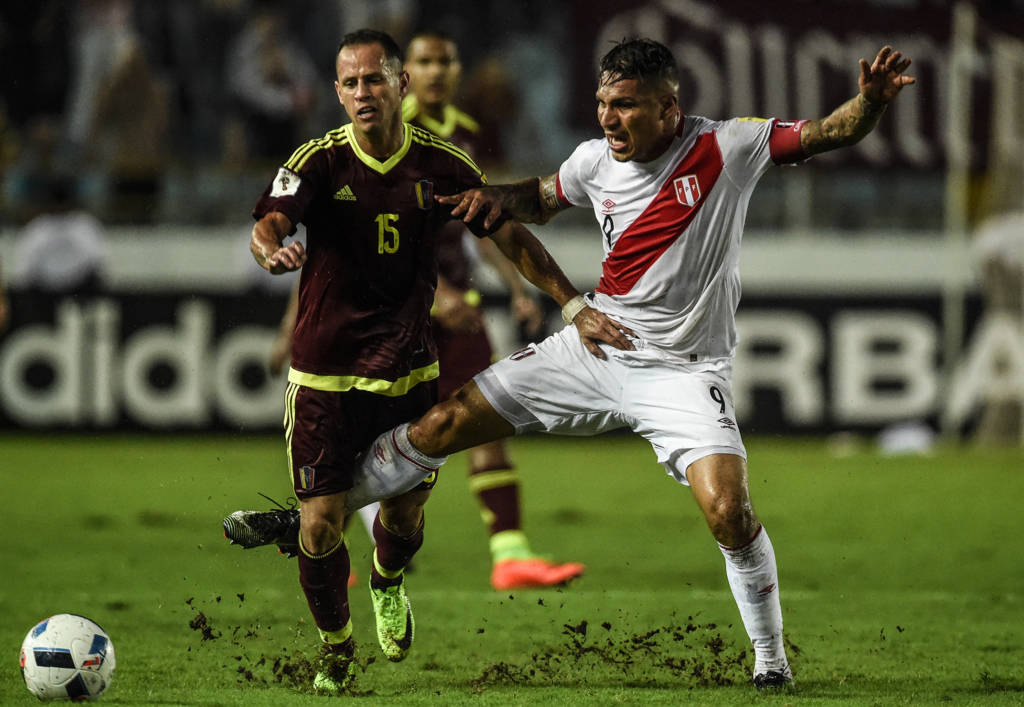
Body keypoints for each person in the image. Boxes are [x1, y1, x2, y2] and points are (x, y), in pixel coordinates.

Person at [247, 38, 914, 689]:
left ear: (668, 107)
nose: (607, 118)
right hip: (594, 343)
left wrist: (872, 105)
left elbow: (829, 132)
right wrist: (495, 199)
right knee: (442, 424)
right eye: (602, 102)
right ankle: (311, 519)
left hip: (684, 369)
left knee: (729, 510)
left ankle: (771, 661)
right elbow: (539, 198)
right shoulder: (595, 160)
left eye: (624, 105)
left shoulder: (728, 147)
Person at [237, 28, 628, 694]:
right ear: (337, 92)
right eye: (351, 82)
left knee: (404, 517)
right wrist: (271, 249)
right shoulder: (318, 162)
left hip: (410, 370)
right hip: (325, 377)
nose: (364, 92)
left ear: (401, 86)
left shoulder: (441, 164)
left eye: (375, 79)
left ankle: (388, 581)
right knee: (321, 523)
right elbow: (268, 223)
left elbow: (507, 231)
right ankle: (336, 648)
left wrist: (568, 301)